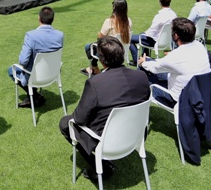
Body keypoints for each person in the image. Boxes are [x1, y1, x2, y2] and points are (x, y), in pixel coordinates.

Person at [59, 36, 150, 181]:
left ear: (101, 60)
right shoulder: (141, 76)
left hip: (107, 142)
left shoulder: (95, 83)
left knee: (65, 123)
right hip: (136, 134)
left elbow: (79, 118)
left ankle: (101, 166)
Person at [138, 18, 211, 107]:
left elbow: (154, 68)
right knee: (149, 62)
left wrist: (142, 62)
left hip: (178, 100)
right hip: (200, 93)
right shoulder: (200, 47)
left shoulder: (175, 56)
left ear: (175, 35)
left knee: (143, 74)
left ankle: (138, 103)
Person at [8, 7, 64, 108]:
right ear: (53, 19)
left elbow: (23, 61)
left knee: (11, 70)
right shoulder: (60, 35)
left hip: (35, 76)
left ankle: (34, 94)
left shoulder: (31, 35)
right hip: (53, 74)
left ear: (39, 18)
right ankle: (35, 95)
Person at [82, 0, 132, 76]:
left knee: (88, 46)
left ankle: (94, 67)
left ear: (114, 7)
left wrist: (99, 34)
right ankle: (93, 68)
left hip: (110, 52)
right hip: (123, 51)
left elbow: (101, 37)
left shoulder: (109, 21)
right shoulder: (128, 21)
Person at [129, 0, 177, 64]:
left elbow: (151, 33)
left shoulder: (159, 16)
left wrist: (145, 32)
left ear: (160, 2)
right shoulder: (174, 15)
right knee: (143, 35)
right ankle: (145, 57)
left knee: (128, 38)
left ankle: (137, 61)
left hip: (155, 41)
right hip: (167, 41)